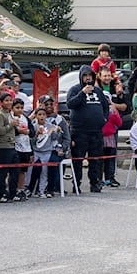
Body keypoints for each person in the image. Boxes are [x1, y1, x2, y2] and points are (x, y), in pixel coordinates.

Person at [66, 65, 110, 193]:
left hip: (96, 131)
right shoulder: (74, 90)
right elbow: (70, 104)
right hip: (80, 131)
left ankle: (95, 183)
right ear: (81, 77)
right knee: (78, 160)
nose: (87, 78)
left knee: (96, 160)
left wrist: (104, 119)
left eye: (89, 75)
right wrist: (82, 93)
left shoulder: (98, 91)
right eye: (85, 75)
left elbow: (106, 106)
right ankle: (76, 184)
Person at [0, 92, 20, 203]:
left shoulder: (10, 114)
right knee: (2, 171)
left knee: (15, 170)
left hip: (12, 145)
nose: (9, 102)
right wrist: (11, 125)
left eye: (10, 100)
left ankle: (13, 192)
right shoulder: (0, 115)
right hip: (3, 146)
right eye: (6, 100)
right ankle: (1, 193)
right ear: (1, 102)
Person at [29, 107, 58, 198]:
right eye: (39, 114)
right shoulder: (34, 126)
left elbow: (54, 138)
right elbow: (31, 141)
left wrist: (55, 131)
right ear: (36, 116)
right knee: (32, 171)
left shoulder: (50, 126)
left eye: (44, 114)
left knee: (44, 172)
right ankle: (29, 189)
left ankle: (41, 190)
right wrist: (36, 134)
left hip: (47, 151)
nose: (42, 116)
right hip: (36, 151)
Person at [11, 98, 32, 202]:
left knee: (23, 171)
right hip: (15, 146)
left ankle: (20, 189)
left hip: (26, 147)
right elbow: (11, 131)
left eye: (21, 108)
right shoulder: (11, 117)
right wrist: (19, 131)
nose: (20, 110)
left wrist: (28, 131)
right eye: (17, 107)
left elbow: (32, 131)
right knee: (14, 170)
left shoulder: (25, 118)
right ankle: (12, 189)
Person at [100, 99, 123, 188]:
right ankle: (99, 178)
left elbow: (119, 123)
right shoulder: (99, 110)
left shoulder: (112, 111)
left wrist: (114, 112)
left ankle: (109, 178)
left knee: (110, 159)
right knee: (100, 159)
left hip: (110, 137)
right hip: (101, 137)